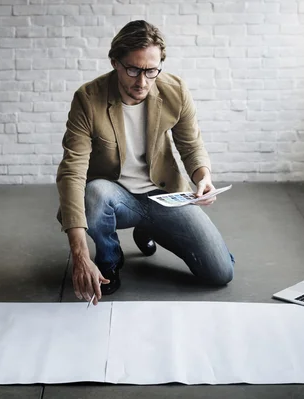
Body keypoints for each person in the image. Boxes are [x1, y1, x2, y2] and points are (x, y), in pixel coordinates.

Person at [56, 20, 235, 305]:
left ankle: (148, 227)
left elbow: (190, 145)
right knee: (95, 193)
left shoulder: (174, 90)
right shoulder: (88, 99)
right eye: (133, 70)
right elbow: (72, 171)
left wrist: (203, 177)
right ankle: (110, 260)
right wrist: (78, 255)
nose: (142, 82)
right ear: (115, 62)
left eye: (151, 71)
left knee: (220, 273)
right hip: (115, 197)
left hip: (165, 195)